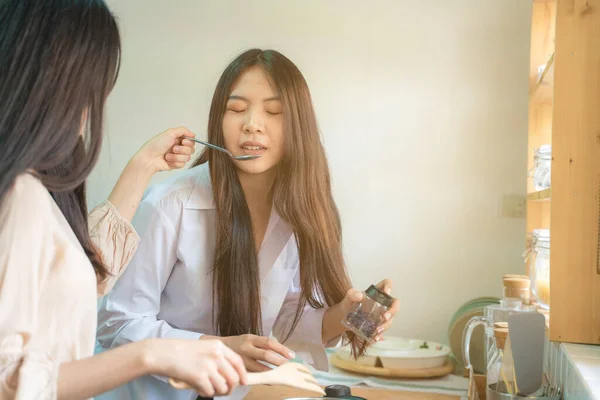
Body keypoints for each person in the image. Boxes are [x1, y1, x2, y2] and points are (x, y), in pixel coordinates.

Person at [96, 48, 401, 400]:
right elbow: (117, 323)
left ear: (298, 126)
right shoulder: (172, 202)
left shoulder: (300, 209)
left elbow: (281, 321)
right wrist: (219, 348)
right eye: (237, 109)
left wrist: (342, 315)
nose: (252, 123)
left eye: (274, 111)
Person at [0, 1, 247, 398]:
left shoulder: (36, 191)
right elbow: (9, 380)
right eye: (94, 86)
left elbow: (80, 276)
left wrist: (145, 164)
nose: (95, 105)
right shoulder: (20, 195)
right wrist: (151, 354)